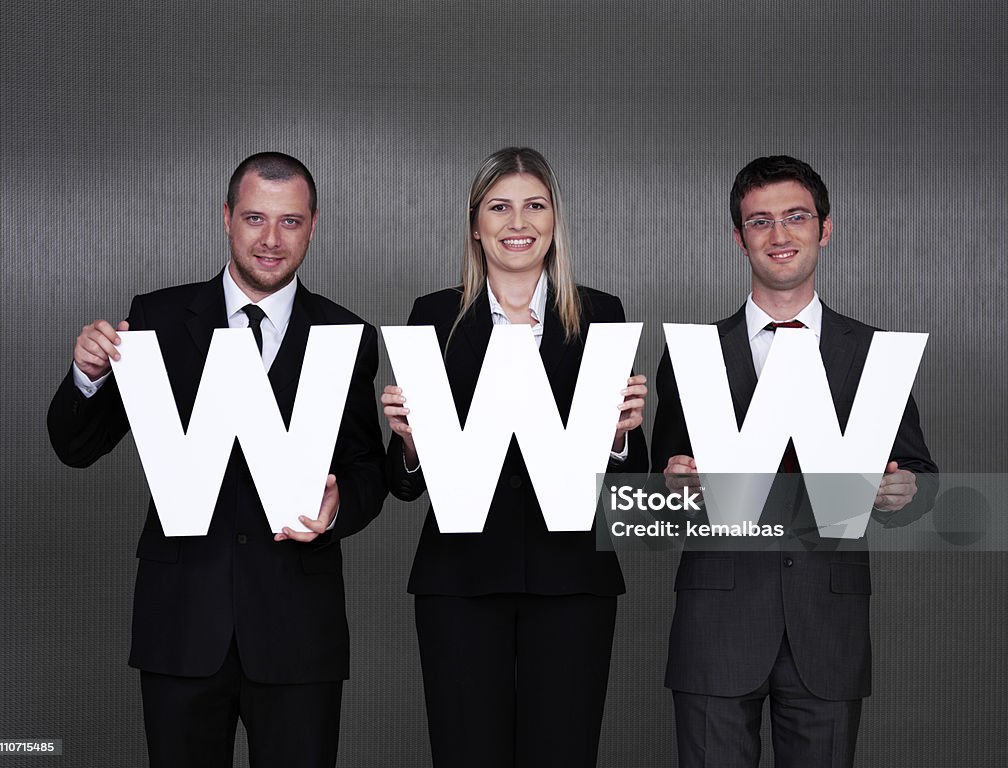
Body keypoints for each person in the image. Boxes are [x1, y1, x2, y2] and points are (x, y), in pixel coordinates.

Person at [46, 152, 387, 768]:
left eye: (289, 221)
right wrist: (87, 376)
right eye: (255, 217)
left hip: (297, 632)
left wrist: (337, 512)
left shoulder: (347, 335)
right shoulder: (159, 319)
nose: (270, 239)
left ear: (313, 226)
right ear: (227, 218)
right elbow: (75, 447)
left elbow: (368, 470)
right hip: (181, 625)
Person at [651, 155, 938, 768]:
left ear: (824, 228)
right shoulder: (694, 356)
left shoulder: (870, 355)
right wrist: (675, 489)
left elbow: (920, 477)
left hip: (827, 628)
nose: (779, 236)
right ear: (739, 237)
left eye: (796, 217)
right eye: (760, 222)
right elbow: (658, 502)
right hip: (717, 627)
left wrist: (904, 491)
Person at [381, 147, 649, 768]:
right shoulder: (435, 316)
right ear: (476, 224)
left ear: (556, 219)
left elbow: (632, 481)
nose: (517, 222)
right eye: (499, 207)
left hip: (573, 580)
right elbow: (403, 486)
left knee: (564, 753)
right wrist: (412, 447)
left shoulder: (600, 314)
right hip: (460, 583)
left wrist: (617, 437)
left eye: (535, 205)